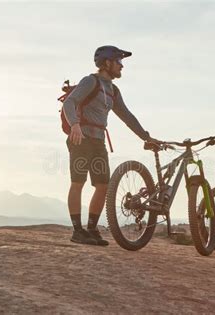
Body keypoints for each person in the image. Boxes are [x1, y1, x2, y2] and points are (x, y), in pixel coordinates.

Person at [62, 45, 160, 246]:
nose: (121, 67)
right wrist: (75, 125)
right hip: (80, 139)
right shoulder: (91, 81)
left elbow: (127, 116)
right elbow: (69, 103)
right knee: (78, 182)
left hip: (98, 141)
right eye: (119, 62)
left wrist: (146, 137)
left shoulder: (113, 90)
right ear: (107, 63)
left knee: (103, 185)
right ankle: (77, 230)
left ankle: (91, 229)